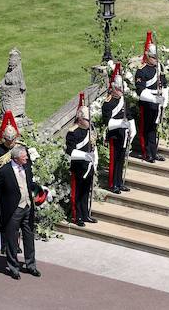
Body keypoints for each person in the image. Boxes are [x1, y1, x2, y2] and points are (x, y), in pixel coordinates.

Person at [0, 145, 47, 279]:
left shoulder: (27, 166)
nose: (27, 158)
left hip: (28, 208)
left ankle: (31, 265)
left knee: (29, 238)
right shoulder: (4, 171)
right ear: (16, 158)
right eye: (24, 157)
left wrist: (40, 190)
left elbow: (29, 184)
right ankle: (13, 267)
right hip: (13, 210)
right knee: (12, 240)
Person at [135, 32, 169, 162]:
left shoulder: (159, 66)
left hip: (158, 101)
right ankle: (146, 152)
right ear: (148, 56)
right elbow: (140, 91)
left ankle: (154, 152)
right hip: (147, 102)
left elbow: (164, 83)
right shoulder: (142, 70)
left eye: (157, 57)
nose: (156, 59)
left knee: (154, 128)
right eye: (154, 57)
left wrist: (165, 99)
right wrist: (154, 99)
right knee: (147, 127)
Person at [65, 97, 97, 226]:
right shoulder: (73, 132)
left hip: (89, 166)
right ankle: (76, 216)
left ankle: (85, 214)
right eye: (87, 119)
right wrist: (85, 156)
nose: (89, 122)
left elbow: (93, 146)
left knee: (86, 192)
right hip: (78, 167)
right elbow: (70, 151)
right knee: (77, 193)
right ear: (80, 119)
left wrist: (93, 159)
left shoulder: (90, 130)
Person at [102, 63, 132, 194]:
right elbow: (107, 122)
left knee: (121, 160)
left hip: (124, 134)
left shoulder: (124, 100)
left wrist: (132, 128)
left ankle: (119, 182)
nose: (120, 91)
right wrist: (121, 123)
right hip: (114, 135)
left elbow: (129, 116)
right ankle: (112, 183)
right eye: (118, 89)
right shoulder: (108, 103)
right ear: (113, 88)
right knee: (114, 161)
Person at [0, 111, 21, 179]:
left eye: (13, 140)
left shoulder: (20, 147)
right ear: (4, 138)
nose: (11, 142)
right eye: (8, 140)